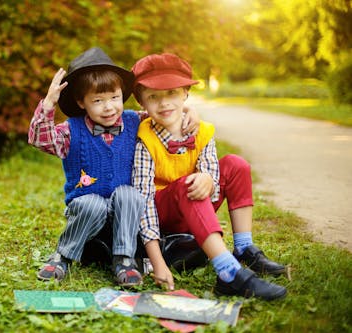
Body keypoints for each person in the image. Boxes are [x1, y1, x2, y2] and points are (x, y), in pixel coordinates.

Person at [28, 47, 199, 287]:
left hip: (126, 216)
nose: (108, 107)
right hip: (88, 215)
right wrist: (48, 105)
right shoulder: (71, 130)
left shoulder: (134, 121)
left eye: (114, 98)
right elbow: (41, 139)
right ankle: (63, 256)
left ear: (122, 95)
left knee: (130, 194)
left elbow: (162, 114)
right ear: (81, 102)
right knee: (92, 203)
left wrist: (189, 110)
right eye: (97, 101)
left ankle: (124, 258)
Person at [131, 53, 287, 300]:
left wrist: (208, 179)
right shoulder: (145, 139)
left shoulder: (202, 131)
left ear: (185, 94)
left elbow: (212, 180)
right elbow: (144, 203)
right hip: (164, 213)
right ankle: (228, 273)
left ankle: (244, 247)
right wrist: (157, 262)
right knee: (188, 184)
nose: (164, 104)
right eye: (153, 97)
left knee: (235, 164)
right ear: (142, 104)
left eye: (172, 93)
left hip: (194, 203)